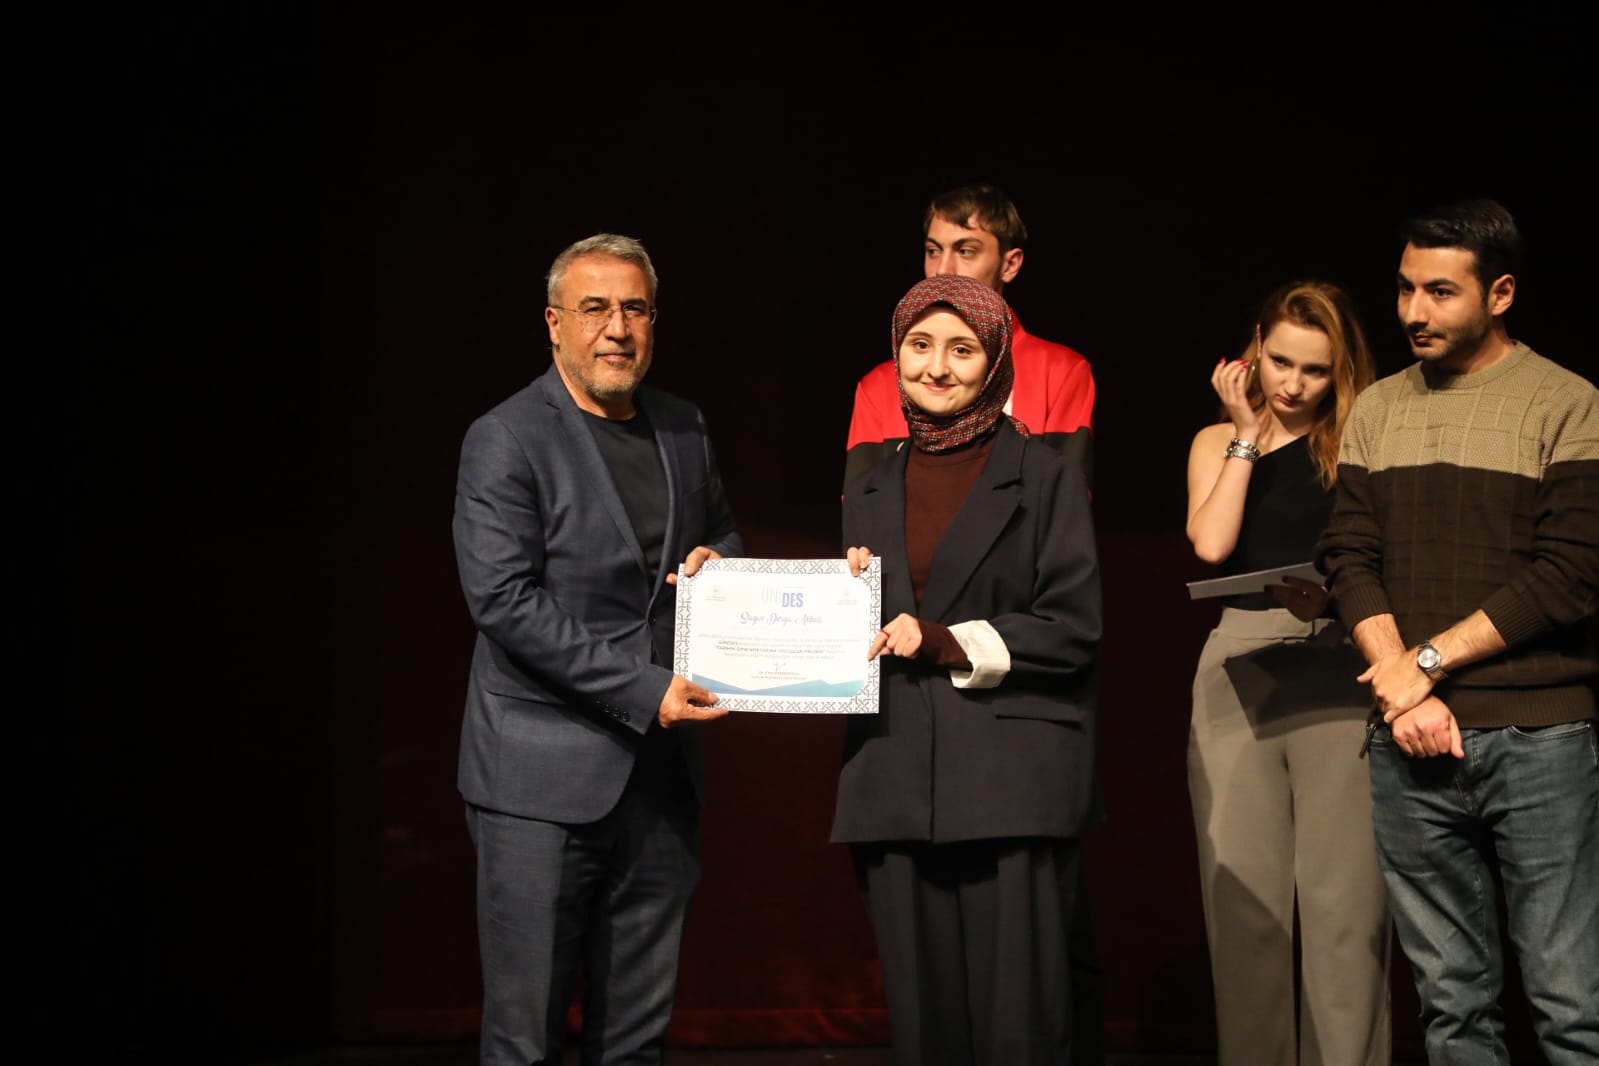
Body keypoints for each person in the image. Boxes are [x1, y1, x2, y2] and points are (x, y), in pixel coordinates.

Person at [1315, 199, 1599, 1064]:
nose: (1413, 310)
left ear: (1499, 293)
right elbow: (1347, 556)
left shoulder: (1566, 401)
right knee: (1450, 1007)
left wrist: (1424, 663)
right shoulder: (1376, 408)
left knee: (1568, 1004)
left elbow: (1570, 574)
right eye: (1405, 288)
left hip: (1536, 736)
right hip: (1407, 738)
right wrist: (1403, 689)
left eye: (1439, 292)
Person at [452, 233, 742, 1065]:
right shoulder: (505, 436)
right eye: (595, 309)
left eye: (634, 309)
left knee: (637, 1039)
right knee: (526, 1038)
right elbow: (504, 602)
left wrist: (721, 563)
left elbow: (720, 534)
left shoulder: (682, 425)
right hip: (538, 782)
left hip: (661, 780)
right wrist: (646, 688)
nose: (617, 328)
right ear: (554, 324)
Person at [842, 181, 1108, 1065]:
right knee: (924, 1031)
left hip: (1009, 778)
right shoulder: (870, 480)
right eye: (918, 345)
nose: (936, 367)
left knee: (1017, 1028)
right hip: (893, 777)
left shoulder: (1043, 472)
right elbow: (849, 623)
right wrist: (724, 591)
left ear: (994, 360)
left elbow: (1071, 627)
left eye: (961, 349)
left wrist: (946, 641)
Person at [1184, 280, 1390, 1065]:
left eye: (1314, 370)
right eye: (1279, 362)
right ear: (1253, 350)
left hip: (1339, 660)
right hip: (1238, 659)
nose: (1293, 385)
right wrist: (1245, 433)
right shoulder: (1215, 439)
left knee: (1344, 906)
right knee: (1245, 909)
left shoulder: (1359, 439)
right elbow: (1210, 544)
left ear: (1340, 372)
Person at [842, 182, 1096, 490]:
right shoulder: (878, 386)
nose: (943, 269)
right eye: (933, 251)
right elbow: (860, 504)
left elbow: (1065, 500)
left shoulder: (1059, 372)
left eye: (965, 251)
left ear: (1010, 264)